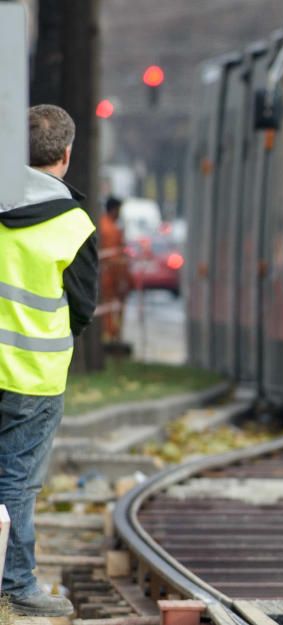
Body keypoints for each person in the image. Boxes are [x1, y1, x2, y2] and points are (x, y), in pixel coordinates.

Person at [0, 104, 98, 617]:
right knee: (15, 481)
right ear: (65, 155)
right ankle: (16, 586)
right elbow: (82, 307)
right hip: (33, 379)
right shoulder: (74, 225)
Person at [98, 196, 129, 343]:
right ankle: (110, 334)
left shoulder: (106, 225)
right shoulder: (109, 229)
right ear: (114, 210)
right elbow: (114, 256)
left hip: (110, 273)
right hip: (110, 274)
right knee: (110, 305)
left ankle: (111, 333)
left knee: (109, 306)